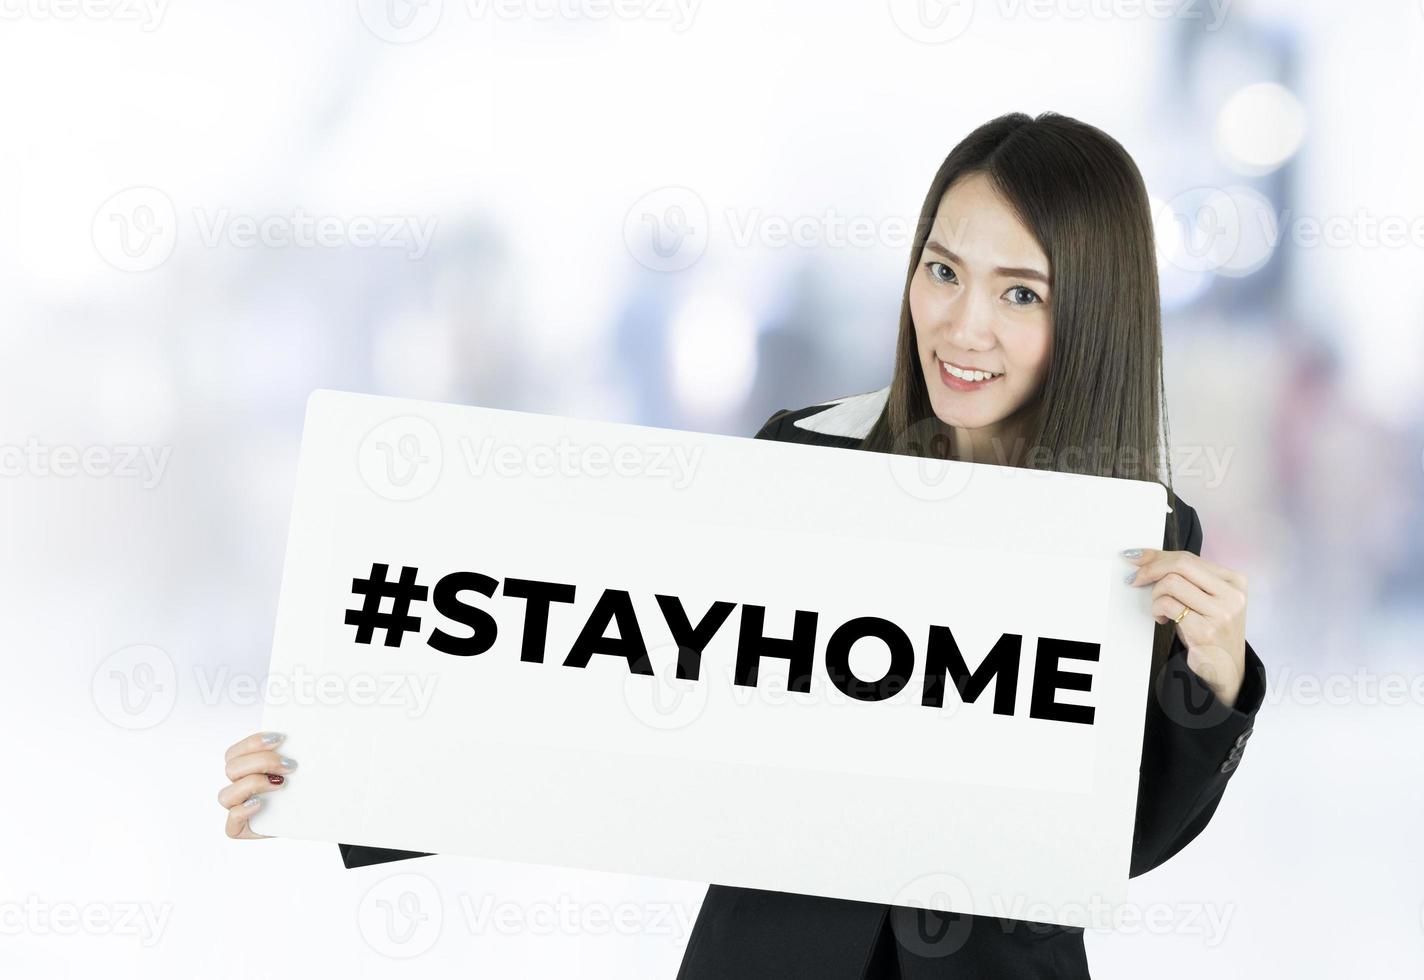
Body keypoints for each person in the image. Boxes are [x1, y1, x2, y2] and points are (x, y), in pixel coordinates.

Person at [218, 111, 1266, 978]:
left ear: (1094, 314)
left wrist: (1211, 684)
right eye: (942, 271)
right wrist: (344, 774)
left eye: (1020, 292)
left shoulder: (1139, 538)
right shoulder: (804, 462)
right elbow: (616, 690)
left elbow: (1111, 840)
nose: (963, 325)